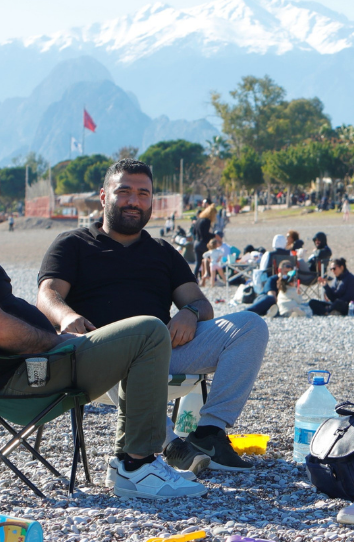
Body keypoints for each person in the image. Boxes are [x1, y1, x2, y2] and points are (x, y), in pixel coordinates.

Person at [0, 156, 203, 499]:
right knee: (148, 331)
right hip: (22, 375)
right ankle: (137, 466)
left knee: (141, 334)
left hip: (16, 368)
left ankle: (131, 462)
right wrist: (54, 341)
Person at [36, 159, 268, 472]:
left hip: (163, 350)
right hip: (99, 354)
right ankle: (170, 443)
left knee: (251, 326)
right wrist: (65, 317)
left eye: (143, 194)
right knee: (135, 343)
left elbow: (201, 304)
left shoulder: (162, 251)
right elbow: (47, 295)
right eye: (124, 192)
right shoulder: (73, 244)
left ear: (151, 202)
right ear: (104, 197)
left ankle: (209, 433)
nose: (134, 201)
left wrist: (188, 312)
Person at [192, 204, 216, 271]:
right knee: (209, 260)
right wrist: (214, 236)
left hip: (196, 243)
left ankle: (195, 278)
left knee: (198, 263)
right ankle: (211, 277)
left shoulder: (199, 219)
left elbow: (194, 232)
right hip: (203, 243)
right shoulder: (207, 221)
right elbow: (205, 234)